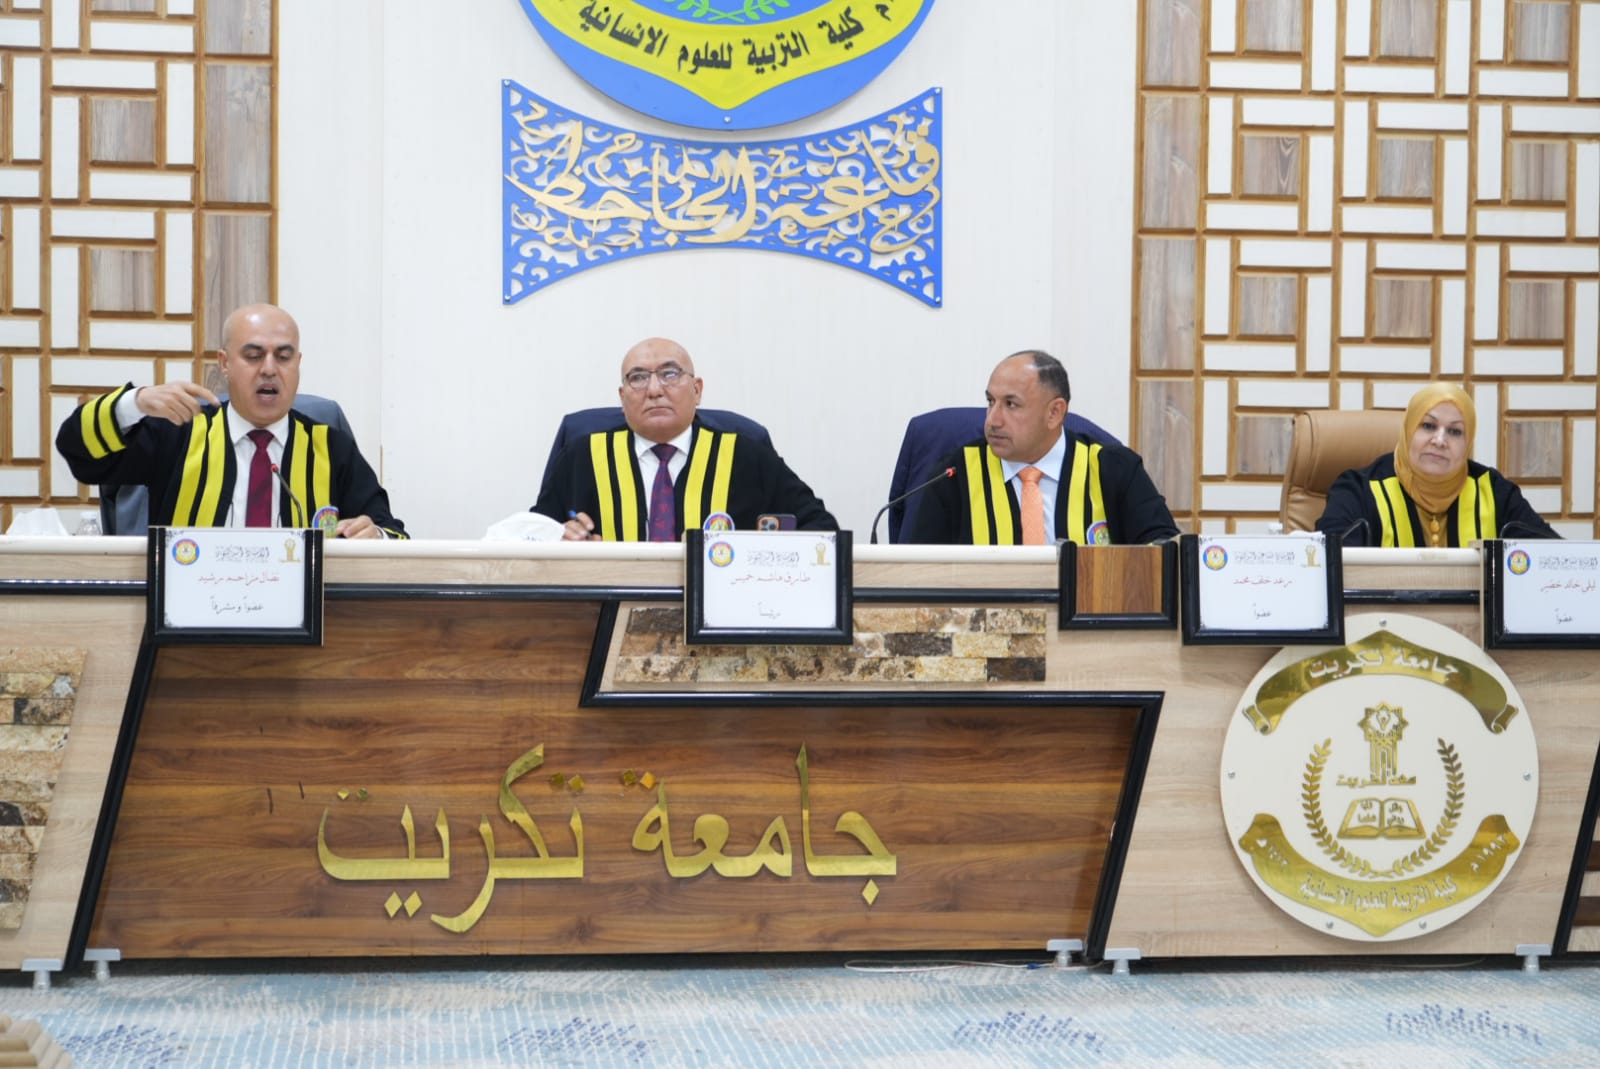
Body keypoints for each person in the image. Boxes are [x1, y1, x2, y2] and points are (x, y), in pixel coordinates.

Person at [56, 303, 406, 539]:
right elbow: (79, 452)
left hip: (302, 623)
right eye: (253, 355)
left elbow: (394, 534)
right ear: (224, 363)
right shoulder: (179, 433)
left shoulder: (329, 447)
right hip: (191, 618)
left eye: (283, 357)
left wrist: (374, 536)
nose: (269, 369)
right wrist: (134, 403)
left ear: (297, 364)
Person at [534, 337, 836, 540]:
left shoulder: (746, 456)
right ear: (622, 397)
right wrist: (559, 537)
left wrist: (760, 555)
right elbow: (531, 535)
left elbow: (821, 529)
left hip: (718, 612)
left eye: (670, 374)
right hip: (609, 611)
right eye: (638, 378)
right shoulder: (583, 457)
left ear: (697, 390)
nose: (654, 390)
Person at [906, 350, 1178, 545]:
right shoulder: (954, 474)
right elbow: (920, 576)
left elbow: (1163, 552)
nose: (993, 420)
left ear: (1054, 413)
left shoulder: (1113, 469)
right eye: (991, 402)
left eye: (1011, 404)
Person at [1316, 383, 1557, 547]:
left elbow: (1551, 557)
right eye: (1428, 426)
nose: (1440, 441)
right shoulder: (1359, 490)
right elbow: (1329, 562)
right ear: (1408, 430)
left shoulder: (1493, 492)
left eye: (1455, 431)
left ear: (1467, 444)